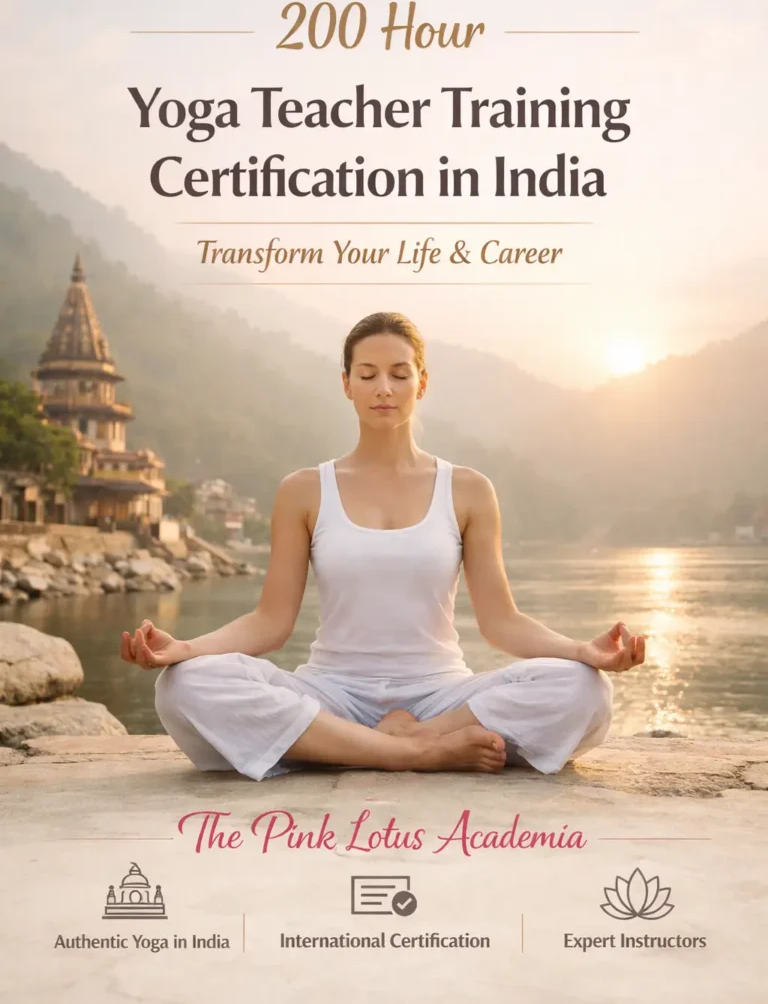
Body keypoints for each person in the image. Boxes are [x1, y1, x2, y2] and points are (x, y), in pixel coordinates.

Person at [120, 311, 646, 781]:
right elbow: (270, 623)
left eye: (399, 374)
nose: (384, 389)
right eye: (367, 375)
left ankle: (379, 743)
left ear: (423, 382)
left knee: (584, 689)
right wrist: (186, 649)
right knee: (183, 686)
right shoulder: (304, 489)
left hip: (442, 696)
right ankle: (415, 754)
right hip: (332, 692)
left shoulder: (467, 489)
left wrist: (582, 651)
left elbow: (500, 622)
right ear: (346, 384)